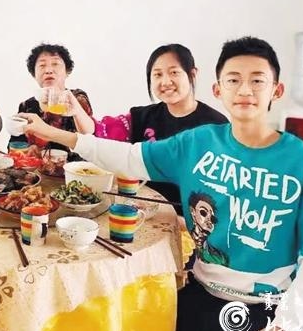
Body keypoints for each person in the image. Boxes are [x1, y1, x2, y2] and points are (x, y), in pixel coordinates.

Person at [20, 37, 303, 331]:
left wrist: (286, 328)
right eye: (233, 80)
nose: (245, 89)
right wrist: (57, 134)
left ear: (277, 89)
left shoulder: (301, 161)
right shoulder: (198, 143)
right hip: (201, 291)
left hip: (266, 308)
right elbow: (128, 157)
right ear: (218, 89)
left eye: (257, 80)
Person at [86, 44, 228, 212]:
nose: (165, 82)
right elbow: (97, 132)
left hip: (190, 221)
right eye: (158, 74)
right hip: (140, 213)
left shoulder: (217, 126)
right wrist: (75, 110)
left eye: (174, 72)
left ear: (192, 74)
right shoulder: (142, 116)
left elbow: (223, 191)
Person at [8, 42, 93, 160]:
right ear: (34, 74)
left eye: (55, 64)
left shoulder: (76, 98)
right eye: (42, 65)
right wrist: (28, 149)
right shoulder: (27, 105)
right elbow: (15, 144)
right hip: (39, 169)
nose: (48, 70)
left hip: (75, 169)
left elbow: (89, 138)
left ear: (67, 71)